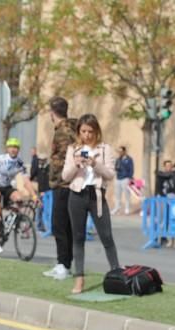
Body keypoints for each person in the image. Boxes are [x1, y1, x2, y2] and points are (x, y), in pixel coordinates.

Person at [62, 113, 120, 294]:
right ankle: (79, 279)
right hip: (77, 196)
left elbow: (110, 174)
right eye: (84, 131)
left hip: (97, 196)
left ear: (97, 131)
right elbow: (65, 176)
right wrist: (76, 164)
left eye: (90, 131)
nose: (87, 135)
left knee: (107, 237)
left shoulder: (105, 149)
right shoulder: (73, 149)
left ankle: (116, 274)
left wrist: (95, 164)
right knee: (78, 238)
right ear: (79, 131)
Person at [43, 96, 77, 281]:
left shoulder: (63, 131)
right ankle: (65, 263)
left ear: (52, 113)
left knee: (59, 226)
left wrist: (54, 172)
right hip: (68, 184)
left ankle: (63, 265)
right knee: (66, 226)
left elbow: (64, 159)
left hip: (63, 184)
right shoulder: (71, 128)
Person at [0, 137, 37, 254]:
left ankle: (10, 220)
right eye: (11, 147)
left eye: (16, 148)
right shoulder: (0, 159)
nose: (13, 150)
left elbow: (26, 180)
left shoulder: (19, 162)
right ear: (7, 148)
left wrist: (34, 196)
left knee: (19, 199)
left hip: (7, 187)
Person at [111, 145, 134, 215]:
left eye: (121, 151)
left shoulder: (129, 159)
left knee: (127, 194)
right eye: (119, 151)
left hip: (125, 178)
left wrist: (129, 177)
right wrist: (116, 168)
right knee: (117, 194)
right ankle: (117, 208)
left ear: (124, 151)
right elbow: (116, 167)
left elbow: (131, 169)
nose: (120, 153)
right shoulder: (118, 159)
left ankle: (127, 208)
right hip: (118, 178)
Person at [31, 151, 50, 231]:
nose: (41, 161)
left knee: (47, 210)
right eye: (40, 160)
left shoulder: (49, 168)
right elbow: (32, 175)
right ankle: (39, 225)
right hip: (40, 191)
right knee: (39, 209)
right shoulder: (38, 168)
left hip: (48, 192)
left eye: (43, 160)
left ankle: (49, 227)